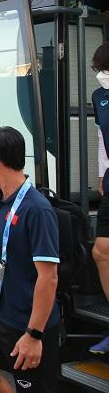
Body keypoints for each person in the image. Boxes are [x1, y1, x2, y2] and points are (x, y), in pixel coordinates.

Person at [0, 127, 60, 393]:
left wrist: (34, 335)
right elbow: (1, 242)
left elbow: (49, 277)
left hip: (25, 321)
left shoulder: (37, 210)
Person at [90, 42, 109, 353]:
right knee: (101, 251)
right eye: (100, 71)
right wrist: (102, 173)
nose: (102, 76)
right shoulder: (100, 96)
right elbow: (101, 137)